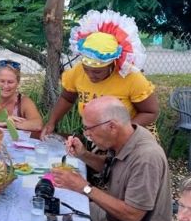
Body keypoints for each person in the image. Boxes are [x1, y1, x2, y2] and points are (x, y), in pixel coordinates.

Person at [51, 96, 172, 221]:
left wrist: (85, 188)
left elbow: (132, 215)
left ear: (112, 127)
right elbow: (112, 166)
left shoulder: (146, 158)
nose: (87, 134)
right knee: (59, 205)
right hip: (116, 220)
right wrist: (83, 154)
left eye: (89, 129)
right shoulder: (128, 135)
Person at [41, 9, 158, 139]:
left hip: (134, 138)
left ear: (111, 64)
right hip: (100, 137)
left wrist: (123, 131)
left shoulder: (131, 77)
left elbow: (150, 112)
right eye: (86, 69)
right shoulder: (77, 72)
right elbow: (67, 98)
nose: (91, 75)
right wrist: (52, 122)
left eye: (97, 71)